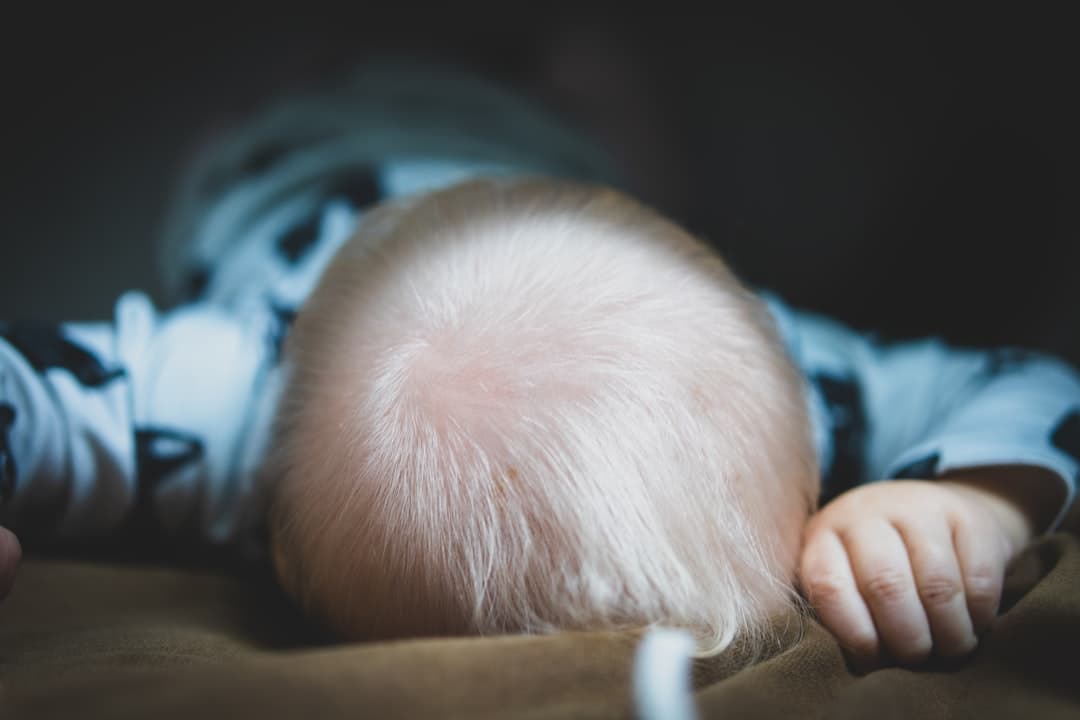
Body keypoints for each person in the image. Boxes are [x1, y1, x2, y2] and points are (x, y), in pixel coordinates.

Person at [1, 63, 1077, 669]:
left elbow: (1039, 384)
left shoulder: (780, 367)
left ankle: (592, 101)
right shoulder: (216, 402)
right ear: (279, 546)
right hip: (285, 154)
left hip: (539, 157)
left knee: (601, 128)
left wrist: (974, 503)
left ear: (811, 465)